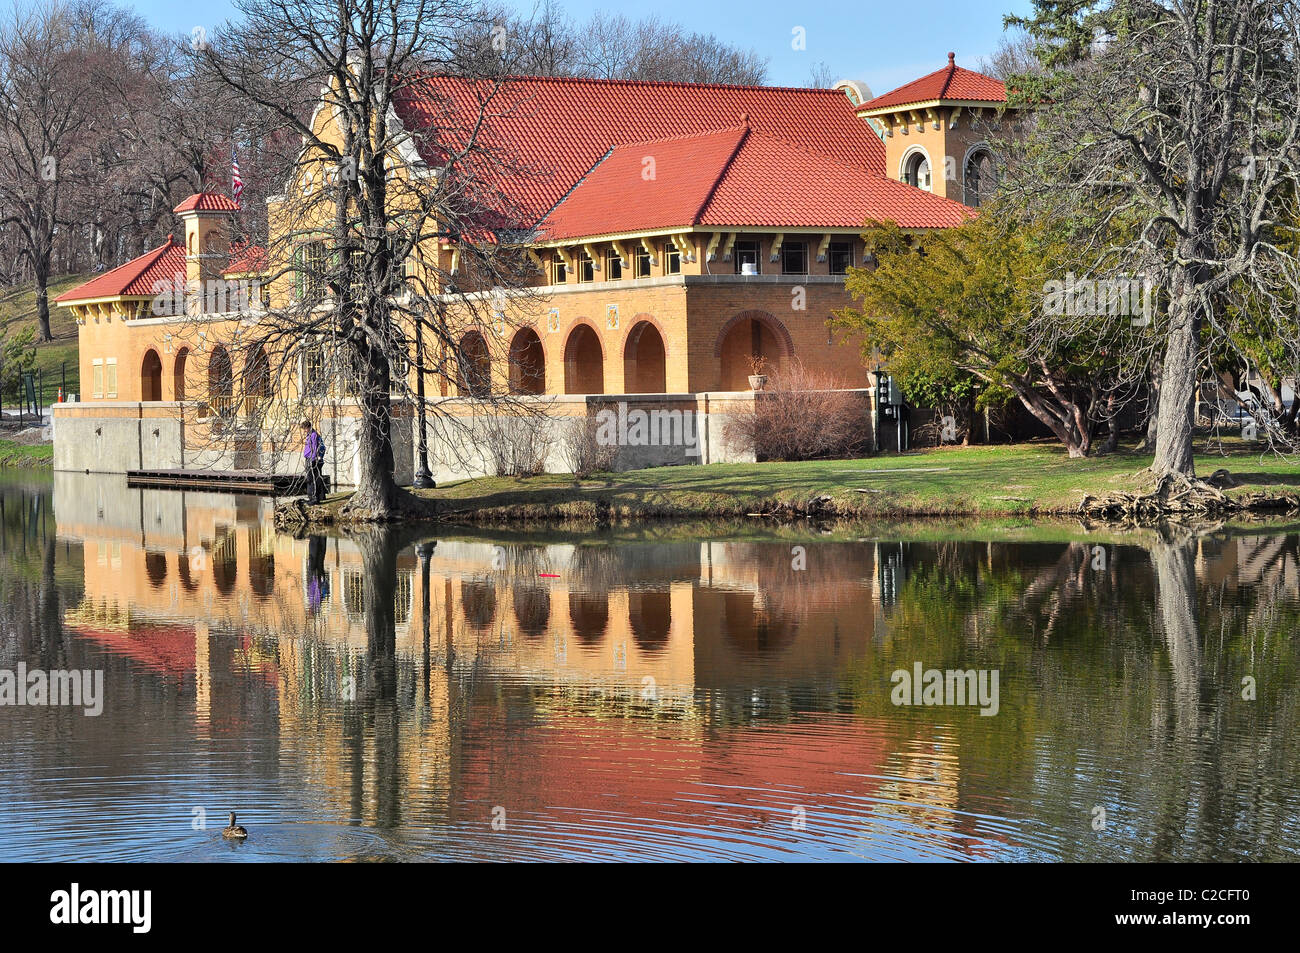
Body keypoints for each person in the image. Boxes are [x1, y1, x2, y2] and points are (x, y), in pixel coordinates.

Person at [301, 419, 326, 503]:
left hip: (312, 458)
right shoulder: (311, 434)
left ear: (308, 427)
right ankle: (321, 496)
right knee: (318, 477)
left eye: (305, 428)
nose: (304, 431)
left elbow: (315, 448)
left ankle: (313, 497)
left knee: (311, 479)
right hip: (311, 458)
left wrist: (313, 459)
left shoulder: (313, 435)